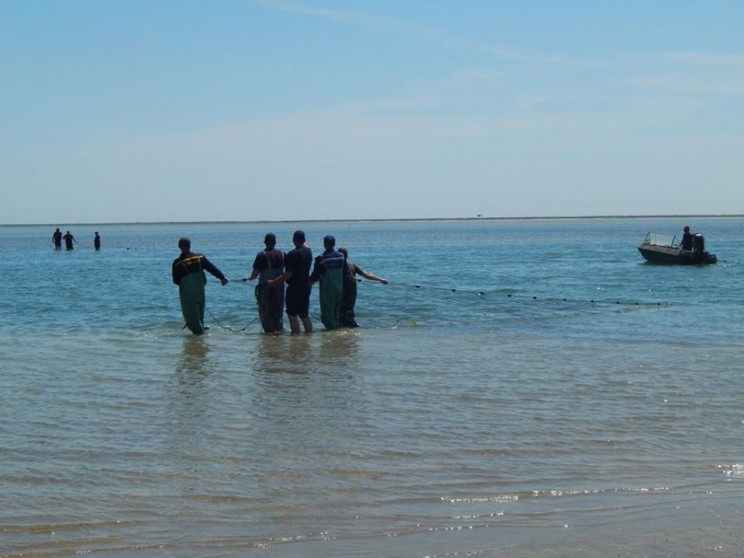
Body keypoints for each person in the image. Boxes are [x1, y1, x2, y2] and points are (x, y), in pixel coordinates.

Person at [172, 237, 228, 335]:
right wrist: (222, 278)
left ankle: (198, 336)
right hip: (200, 291)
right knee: (200, 311)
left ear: (179, 247)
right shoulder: (199, 257)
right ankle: (201, 335)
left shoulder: (177, 263)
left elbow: (175, 280)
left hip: (187, 294)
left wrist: (186, 285)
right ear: (189, 245)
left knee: (191, 315)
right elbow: (211, 268)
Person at [268, 230, 313, 334]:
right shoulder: (309, 252)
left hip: (294, 288)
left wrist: (273, 282)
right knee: (304, 314)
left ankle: (296, 338)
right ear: (304, 240)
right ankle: (308, 336)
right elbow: (306, 245)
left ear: (293, 240)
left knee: (292, 315)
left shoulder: (292, 254)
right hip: (306, 287)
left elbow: (288, 274)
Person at [244, 233, 285, 334]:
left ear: (264, 242)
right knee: (278, 309)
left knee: (265, 311)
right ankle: (278, 330)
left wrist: (248, 278)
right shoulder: (283, 254)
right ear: (275, 242)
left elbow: (254, 275)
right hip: (279, 286)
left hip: (265, 288)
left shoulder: (261, 255)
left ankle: (268, 333)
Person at [338, 247, 388, 328]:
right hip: (342, 293)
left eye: (345, 254)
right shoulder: (338, 267)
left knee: (346, 312)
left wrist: (380, 279)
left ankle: (345, 329)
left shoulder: (352, 266)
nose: (344, 256)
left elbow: (366, 274)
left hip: (350, 293)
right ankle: (348, 327)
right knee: (344, 312)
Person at [310, 235, 348, 330]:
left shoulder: (322, 258)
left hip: (327, 289)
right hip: (339, 288)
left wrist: (308, 284)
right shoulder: (341, 257)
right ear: (334, 244)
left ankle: (333, 332)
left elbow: (316, 276)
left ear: (324, 244)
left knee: (326, 314)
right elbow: (347, 272)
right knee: (336, 311)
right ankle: (337, 328)